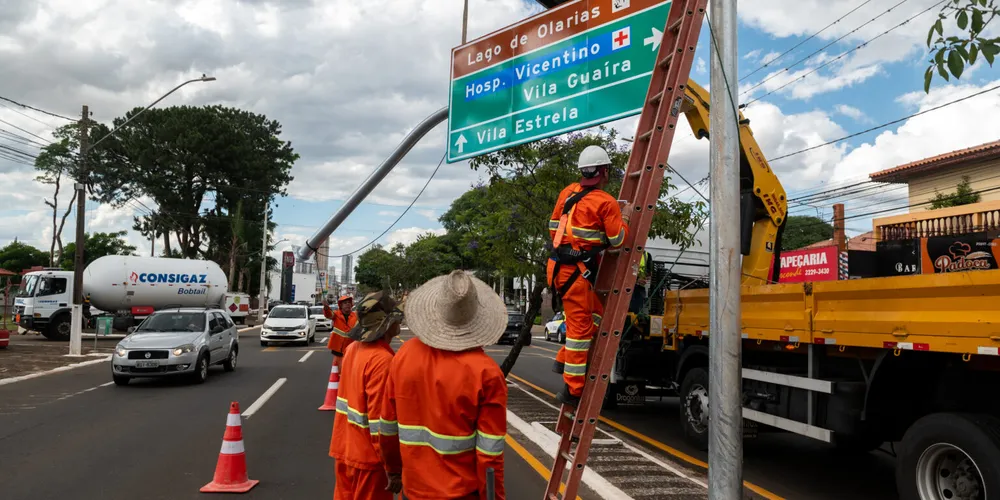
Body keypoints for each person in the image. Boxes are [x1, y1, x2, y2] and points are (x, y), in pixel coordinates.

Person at [379, 270, 508, 500]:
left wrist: (393, 471)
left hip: (413, 490)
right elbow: (490, 455)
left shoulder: (404, 355)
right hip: (461, 494)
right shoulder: (486, 373)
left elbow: (388, 427)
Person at [547, 145, 631, 406]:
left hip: (559, 269)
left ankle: (563, 359)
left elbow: (553, 228)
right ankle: (573, 391)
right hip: (576, 274)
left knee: (596, 316)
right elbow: (618, 240)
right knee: (580, 333)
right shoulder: (605, 203)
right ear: (604, 171)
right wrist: (625, 218)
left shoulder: (567, 192)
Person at [330, 291, 405, 500]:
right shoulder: (383, 361)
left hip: (345, 449)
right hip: (369, 461)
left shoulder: (354, 348)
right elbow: (381, 425)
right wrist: (392, 468)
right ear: (388, 324)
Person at [324, 295, 358, 367]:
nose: (348, 304)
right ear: (341, 305)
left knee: (350, 368)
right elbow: (329, 315)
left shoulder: (355, 316)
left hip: (352, 348)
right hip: (338, 348)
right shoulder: (336, 314)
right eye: (345, 303)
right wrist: (326, 308)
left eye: (349, 302)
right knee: (339, 370)